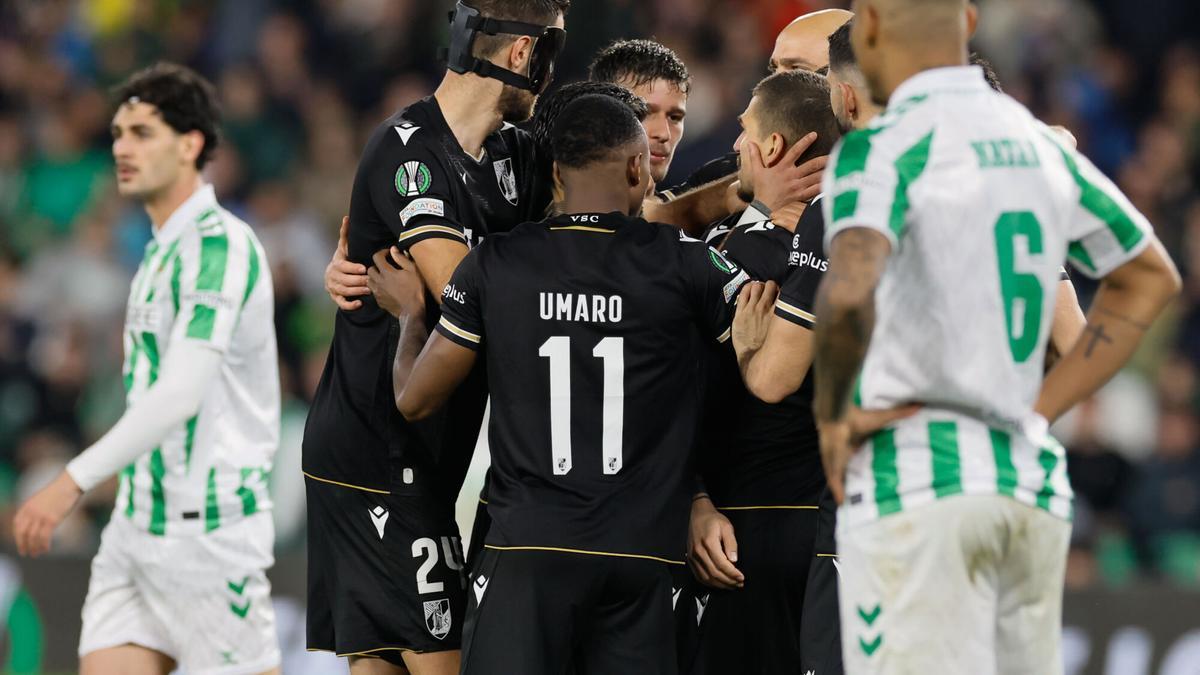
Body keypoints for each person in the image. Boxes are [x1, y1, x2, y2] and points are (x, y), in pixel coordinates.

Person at [807, 0, 1180, 672]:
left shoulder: (881, 147)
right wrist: (1036, 411)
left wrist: (833, 418)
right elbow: (1149, 275)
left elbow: (850, 286)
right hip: (1029, 488)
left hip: (919, 484)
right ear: (971, 24)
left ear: (866, 30)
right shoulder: (1038, 142)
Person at [392, 93, 751, 675]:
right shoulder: (685, 261)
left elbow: (415, 399)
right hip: (644, 554)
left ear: (555, 173)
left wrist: (411, 316)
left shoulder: (495, 262)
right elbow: (768, 350)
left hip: (527, 550)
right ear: (638, 169)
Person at [300, 1, 569, 673]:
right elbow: (465, 294)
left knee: (381, 664)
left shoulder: (515, 155)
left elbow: (607, 214)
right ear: (522, 55)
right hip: (376, 455)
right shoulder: (408, 152)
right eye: (552, 54)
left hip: (420, 455)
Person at [13, 62, 281, 675]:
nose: (121, 148)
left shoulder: (221, 247)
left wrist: (70, 480)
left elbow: (181, 392)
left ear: (190, 144)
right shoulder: (159, 251)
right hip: (137, 529)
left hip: (211, 538)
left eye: (141, 132)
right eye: (116, 133)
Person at [683, 70, 842, 675]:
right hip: (835, 532)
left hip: (741, 536)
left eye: (745, 132)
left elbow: (676, 401)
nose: (734, 147)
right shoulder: (863, 249)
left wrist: (692, 500)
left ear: (772, 148)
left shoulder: (723, 263)